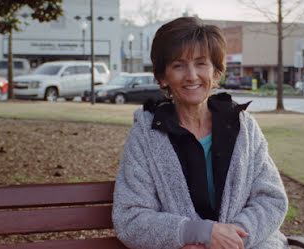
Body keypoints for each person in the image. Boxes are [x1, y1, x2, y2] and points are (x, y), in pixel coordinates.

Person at [112, 16, 289, 249]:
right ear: (163, 77)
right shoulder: (146, 135)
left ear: (215, 72)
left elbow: (272, 199)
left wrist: (230, 240)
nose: (192, 76)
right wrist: (199, 233)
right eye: (178, 65)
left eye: (201, 63)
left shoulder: (243, 127)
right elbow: (130, 218)